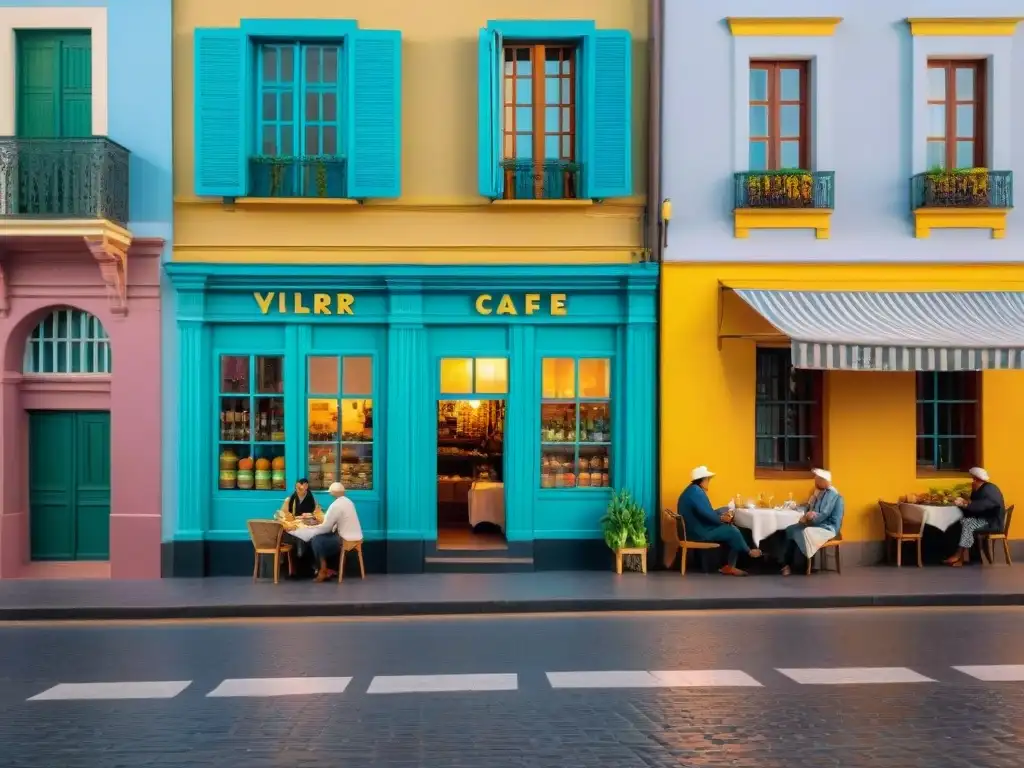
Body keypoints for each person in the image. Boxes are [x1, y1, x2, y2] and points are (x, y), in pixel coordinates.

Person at [677, 466, 761, 576]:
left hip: (695, 528)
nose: (709, 482)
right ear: (702, 480)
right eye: (708, 479)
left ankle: (730, 565)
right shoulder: (696, 492)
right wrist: (722, 519)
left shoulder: (691, 490)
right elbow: (708, 515)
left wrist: (722, 514)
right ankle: (748, 552)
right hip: (699, 532)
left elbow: (705, 512)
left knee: (726, 511)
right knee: (732, 530)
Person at [780, 468, 845, 576]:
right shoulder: (819, 493)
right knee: (791, 529)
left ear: (823, 480)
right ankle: (787, 564)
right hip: (816, 525)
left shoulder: (832, 494)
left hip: (828, 527)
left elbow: (823, 514)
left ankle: (803, 566)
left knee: (802, 532)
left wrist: (808, 518)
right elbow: (809, 507)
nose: (815, 482)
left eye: (817, 480)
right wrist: (798, 507)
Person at [299, 481, 364, 582]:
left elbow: (326, 527)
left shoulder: (335, 505)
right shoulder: (349, 502)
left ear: (332, 493)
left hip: (344, 539)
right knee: (322, 538)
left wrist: (311, 529)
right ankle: (329, 568)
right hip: (357, 537)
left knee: (316, 540)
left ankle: (322, 569)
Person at [946, 466, 1005, 568]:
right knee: (961, 522)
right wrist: (965, 502)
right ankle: (962, 557)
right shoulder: (979, 489)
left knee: (968, 524)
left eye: (973, 479)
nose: (972, 482)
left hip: (992, 522)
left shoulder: (990, 489)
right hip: (984, 519)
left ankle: (959, 556)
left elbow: (985, 505)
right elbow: (974, 503)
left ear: (977, 480)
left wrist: (966, 504)